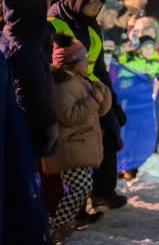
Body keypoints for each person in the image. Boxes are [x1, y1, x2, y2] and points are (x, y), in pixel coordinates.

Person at [48, 0, 127, 211]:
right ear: (77, 1)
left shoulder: (92, 27)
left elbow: (100, 67)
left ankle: (103, 191)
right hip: (67, 89)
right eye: (91, 4)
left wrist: (113, 101)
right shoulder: (54, 23)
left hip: (92, 87)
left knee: (109, 134)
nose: (95, 10)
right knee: (78, 144)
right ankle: (77, 204)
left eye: (98, 6)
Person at [43, 34, 112, 242]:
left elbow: (99, 111)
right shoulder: (61, 84)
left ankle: (61, 224)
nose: (88, 62)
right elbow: (69, 115)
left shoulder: (81, 80)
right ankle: (55, 226)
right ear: (73, 63)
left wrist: (103, 94)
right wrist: (94, 99)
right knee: (80, 187)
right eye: (84, 59)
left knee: (82, 187)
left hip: (79, 144)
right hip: (69, 146)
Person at [0, 0, 58, 160]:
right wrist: (48, 125)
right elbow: (32, 93)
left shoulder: (8, 38)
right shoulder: (25, 50)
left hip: (16, 122)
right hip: (26, 125)